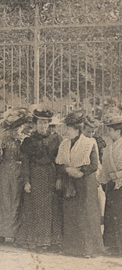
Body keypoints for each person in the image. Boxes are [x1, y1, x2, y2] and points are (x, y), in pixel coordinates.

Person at [56, 111, 105, 258]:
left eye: (69, 129)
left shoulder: (89, 143)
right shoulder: (64, 144)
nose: (66, 131)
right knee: (70, 214)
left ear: (77, 129)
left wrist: (80, 171)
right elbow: (59, 163)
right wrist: (66, 169)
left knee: (86, 215)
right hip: (70, 182)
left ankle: (88, 250)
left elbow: (94, 165)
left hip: (85, 183)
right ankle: (70, 248)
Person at [15, 106, 63, 250]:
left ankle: (52, 241)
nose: (44, 125)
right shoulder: (29, 141)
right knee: (34, 208)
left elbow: (60, 161)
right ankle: (37, 241)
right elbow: (26, 162)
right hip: (35, 176)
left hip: (51, 175)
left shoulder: (56, 139)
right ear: (36, 123)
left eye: (46, 122)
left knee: (51, 208)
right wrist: (27, 181)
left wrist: (59, 178)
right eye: (41, 122)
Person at [0, 108, 29, 245]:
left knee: (18, 203)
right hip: (5, 171)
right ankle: (0, 234)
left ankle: (17, 235)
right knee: (2, 202)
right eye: (15, 126)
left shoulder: (26, 139)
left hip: (20, 171)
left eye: (20, 126)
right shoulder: (3, 138)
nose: (17, 129)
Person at [99, 112, 122, 256]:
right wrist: (103, 180)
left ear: (118, 131)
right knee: (111, 214)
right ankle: (113, 245)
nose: (109, 133)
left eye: (111, 130)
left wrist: (118, 175)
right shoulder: (109, 147)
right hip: (111, 185)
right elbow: (105, 166)